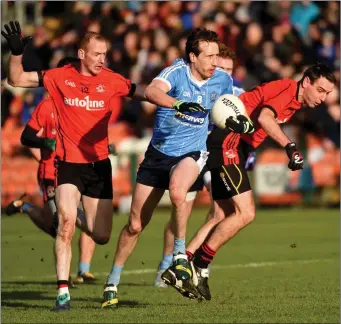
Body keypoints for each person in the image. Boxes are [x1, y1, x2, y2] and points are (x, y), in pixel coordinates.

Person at [101, 28, 254, 309]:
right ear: (193, 56)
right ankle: (112, 279)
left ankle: (180, 256)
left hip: (193, 152)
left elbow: (228, 108)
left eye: (216, 55)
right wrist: (178, 103)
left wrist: (238, 122)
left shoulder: (222, 79)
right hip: (157, 155)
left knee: (178, 191)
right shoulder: (176, 73)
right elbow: (150, 91)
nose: (215, 61)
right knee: (135, 225)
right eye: (208, 56)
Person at [2, 21, 144, 311]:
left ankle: (63, 212)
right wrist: (16, 53)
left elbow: (141, 91)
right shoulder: (57, 81)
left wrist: (176, 102)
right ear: (81, 54)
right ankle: (63, 293)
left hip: (98, 167)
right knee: (64, 225)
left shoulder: (110, 80)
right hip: (65, 165)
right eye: (97, 54)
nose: (102, 59)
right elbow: (16, 80)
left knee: (101, 235)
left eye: (105, 54)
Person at [178, 63, 336, 301]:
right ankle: (200, 263)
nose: (323, 98)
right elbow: (264, 117)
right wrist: (290, 146)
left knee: (221, 215)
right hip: (228, 143)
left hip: (234, 145)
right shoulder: (288, 89)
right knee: (247, 212)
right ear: (306, 83)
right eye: (321, 90)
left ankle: (182, 263)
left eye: (327, 94)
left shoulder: (293, 99)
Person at [154, 44, 256, 288]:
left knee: (222, 211)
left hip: (214, 159)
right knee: (182, 210)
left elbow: (248, 124)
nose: (224, 74)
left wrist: (248, 148)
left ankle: (194, 264)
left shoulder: (238, 95)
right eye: (220, 67)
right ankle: (168, 263)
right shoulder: (202, 86)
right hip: (193, 151)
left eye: (229, 70)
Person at [5, 57, 97, 285]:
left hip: (78, 170)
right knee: (61, 227)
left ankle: (82, 271)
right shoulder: (46, 107)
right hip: (51, 172)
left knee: (81, 224)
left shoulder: (83, 104)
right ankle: (26, 207)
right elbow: (26, 137)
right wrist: (46, 144)